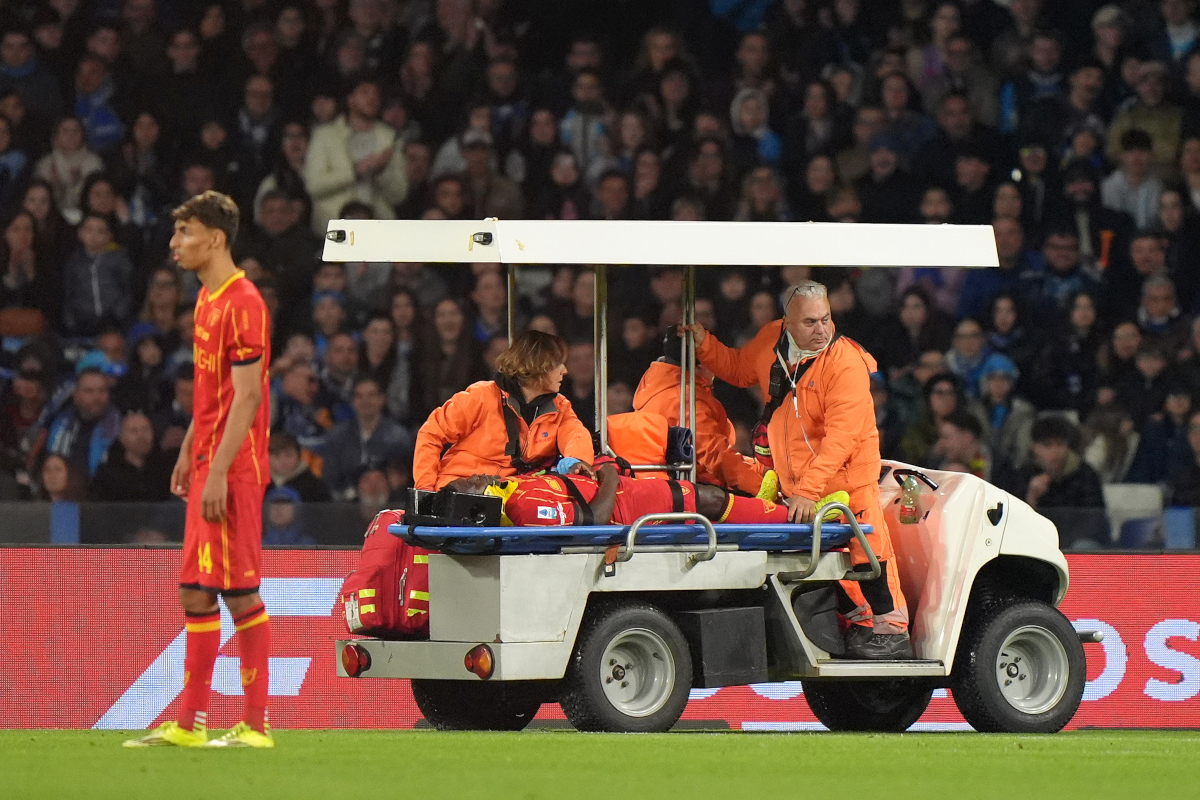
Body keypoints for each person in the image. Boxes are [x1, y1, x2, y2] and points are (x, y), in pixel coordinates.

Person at [683, 280, 911, 659]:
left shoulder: (846, 364)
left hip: (846, 482)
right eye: (810, 322)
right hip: (801, 487)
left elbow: (841, 440)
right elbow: (739, 370)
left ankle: (892, 630)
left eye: (826, 319)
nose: (822, 330)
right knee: (830, 565)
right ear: (786, 322)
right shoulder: (772, 339)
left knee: (868, 554)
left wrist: (807, 489)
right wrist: (704, 343)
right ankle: (860, 624)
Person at [124, 191, 273, 749]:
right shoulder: (207, 301)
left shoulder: (244, 302)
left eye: (184, 232)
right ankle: (188, 726)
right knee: (194, 592)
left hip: (234, 471)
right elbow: (213, 396)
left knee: (238, 594)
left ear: (215, 237)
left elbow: (249, 397)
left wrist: (218, 471)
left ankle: (256, 727)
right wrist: (190, 447)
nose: (174, 243)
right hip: (211, 461)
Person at [413, 330, 594, 492]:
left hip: (509, 495)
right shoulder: (481, 396)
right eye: (558, 364)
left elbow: (575, 435)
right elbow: (431, 434)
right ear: (538, 366)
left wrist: (576, 460)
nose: (565, 371)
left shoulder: (560, 407)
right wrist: (425, 490)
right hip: (462, 488)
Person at [445, 459, 801, 529]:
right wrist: (610, 476)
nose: (477, 473)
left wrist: (570, 470)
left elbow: (560, 491)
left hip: (619, 492)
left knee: (705, 495)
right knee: (706, 499)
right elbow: (592, 521)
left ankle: (762, 506)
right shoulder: (522, 508)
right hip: (623, 509)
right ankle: (799, 518)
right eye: (472, 482)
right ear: (479, 500)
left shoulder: (514, 488)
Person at [632, 331, 764, 495]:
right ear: (702, 364)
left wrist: (760, 469)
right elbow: (716, 456)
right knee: (779, 513)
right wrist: (761, 489)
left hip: (684, 485)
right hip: (697, 494)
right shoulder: (684, 399)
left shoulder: (659, 386)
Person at [321, 376, 413, 499]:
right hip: (346, 505)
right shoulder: (337, 436)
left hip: (390, 504)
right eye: (360, 396)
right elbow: (331, 477)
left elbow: (402, 479)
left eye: (371, 395)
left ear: (382, 399)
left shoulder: (399, 436)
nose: (366, 401)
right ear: (353, 401)